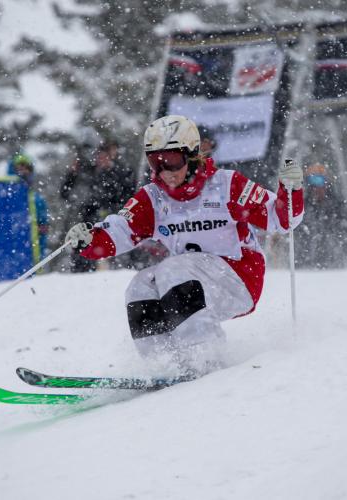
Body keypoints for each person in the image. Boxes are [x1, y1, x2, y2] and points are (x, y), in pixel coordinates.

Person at [62, 115, 304, 375]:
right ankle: (162, 363)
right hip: (192, 283)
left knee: (172, 269)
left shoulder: (225, 185)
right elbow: (120, 230)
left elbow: (281, 219)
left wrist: (291, 191)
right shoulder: (153, 198)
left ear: (191, 155)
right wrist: (91, 240)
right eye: (156, 162)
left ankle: (206, 355)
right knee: (141, 285)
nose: (165, 171)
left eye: (172, 161)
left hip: (240, 277)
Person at [295, 163, 347, 268]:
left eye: (319, 180)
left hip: (333, 265)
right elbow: (296, 233)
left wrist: (341, 253)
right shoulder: (302, 206)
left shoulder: (337, 206)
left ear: (327, 183)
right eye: (312, 181)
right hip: (305, 266)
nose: (316, 187)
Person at [8, 152, 50, 259]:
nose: (23, 172)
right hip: (8, 253)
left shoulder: (37, 200)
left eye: (27, 168)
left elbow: (43, 230)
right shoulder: (4, 199)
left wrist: (38, 256)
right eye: (19, 168)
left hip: (29, 256)